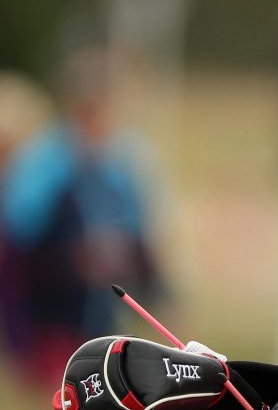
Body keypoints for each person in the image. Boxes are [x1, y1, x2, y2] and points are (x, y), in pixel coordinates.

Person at [0, 47, 161, 391]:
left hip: (100, 315)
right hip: (52, 315)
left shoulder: (119, 165)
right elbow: (17, 241)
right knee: (63, 405)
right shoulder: (45, 164)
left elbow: (139, 242)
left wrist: (159, 297)